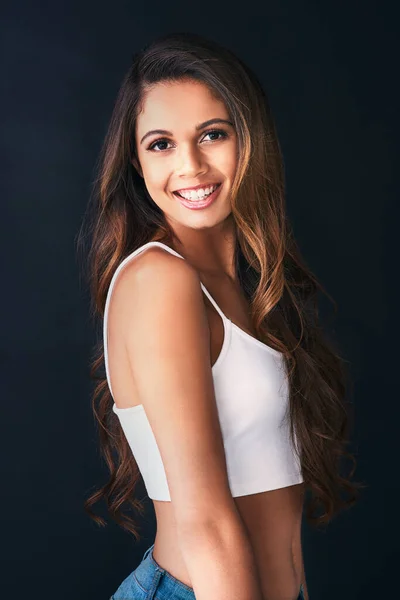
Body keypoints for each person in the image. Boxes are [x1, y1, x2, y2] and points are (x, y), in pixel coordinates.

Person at [78, 32, 360, 600]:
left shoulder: (242, 289)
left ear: (248, 139)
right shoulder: (161, 281)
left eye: (212, 134)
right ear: (134, 161)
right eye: (160, 144)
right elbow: (205, 523)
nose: (191, 166)